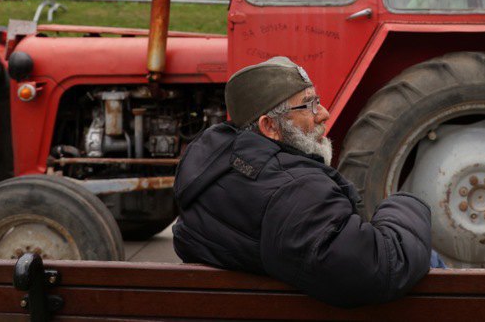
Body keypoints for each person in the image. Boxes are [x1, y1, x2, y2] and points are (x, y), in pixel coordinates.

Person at [172, 56, 433, 308]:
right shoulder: (296, 191)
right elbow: (378, 268)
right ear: (270, 127)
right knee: (429, 262)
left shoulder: (213, 172)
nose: (324, 114)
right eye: (308, 106)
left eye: (317, 101)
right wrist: (406, 204)